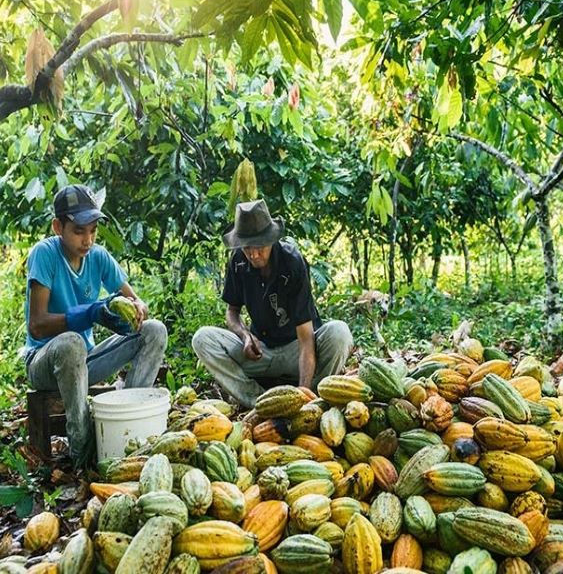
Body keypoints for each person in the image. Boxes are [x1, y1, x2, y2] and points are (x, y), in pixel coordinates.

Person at [23, 184, 167, 467]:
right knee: (72, 342)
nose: (87, 240)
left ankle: (128, 424)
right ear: (57, 227)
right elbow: (37, 326)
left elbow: (138, 303)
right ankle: (83, 452)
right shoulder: (45, 254)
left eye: (92, 231)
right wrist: (88, 313)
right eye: (78, 231)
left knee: (154, 330)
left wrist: (134, 310)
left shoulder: (98, 257)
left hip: (84, 361)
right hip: (44, 362)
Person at [192, 199, 353, 407]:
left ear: (271, 239)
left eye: (259, 246)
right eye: (247, 247)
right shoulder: (238, 262)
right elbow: (232, 312)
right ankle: (258, 401)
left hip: (297, 349)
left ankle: (313, 398)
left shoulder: (292, 262)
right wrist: (245, 335)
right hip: (262, 353)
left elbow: (306, 338)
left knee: (339, 332)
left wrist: (302, 395)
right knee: (202, 338)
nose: (253, 254)